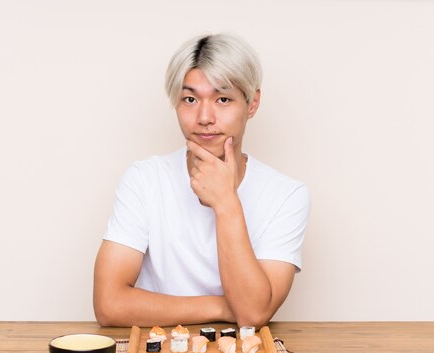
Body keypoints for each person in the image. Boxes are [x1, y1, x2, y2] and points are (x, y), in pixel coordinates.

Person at [93, 33, 310, 328]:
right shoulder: (144, 179)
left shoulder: (287, 195)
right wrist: (223, 307)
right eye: (190, 99)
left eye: (223, 99)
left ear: (252, 104)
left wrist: (226, 203)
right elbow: (109, 305)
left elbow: (253, 315)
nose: (204, 117)